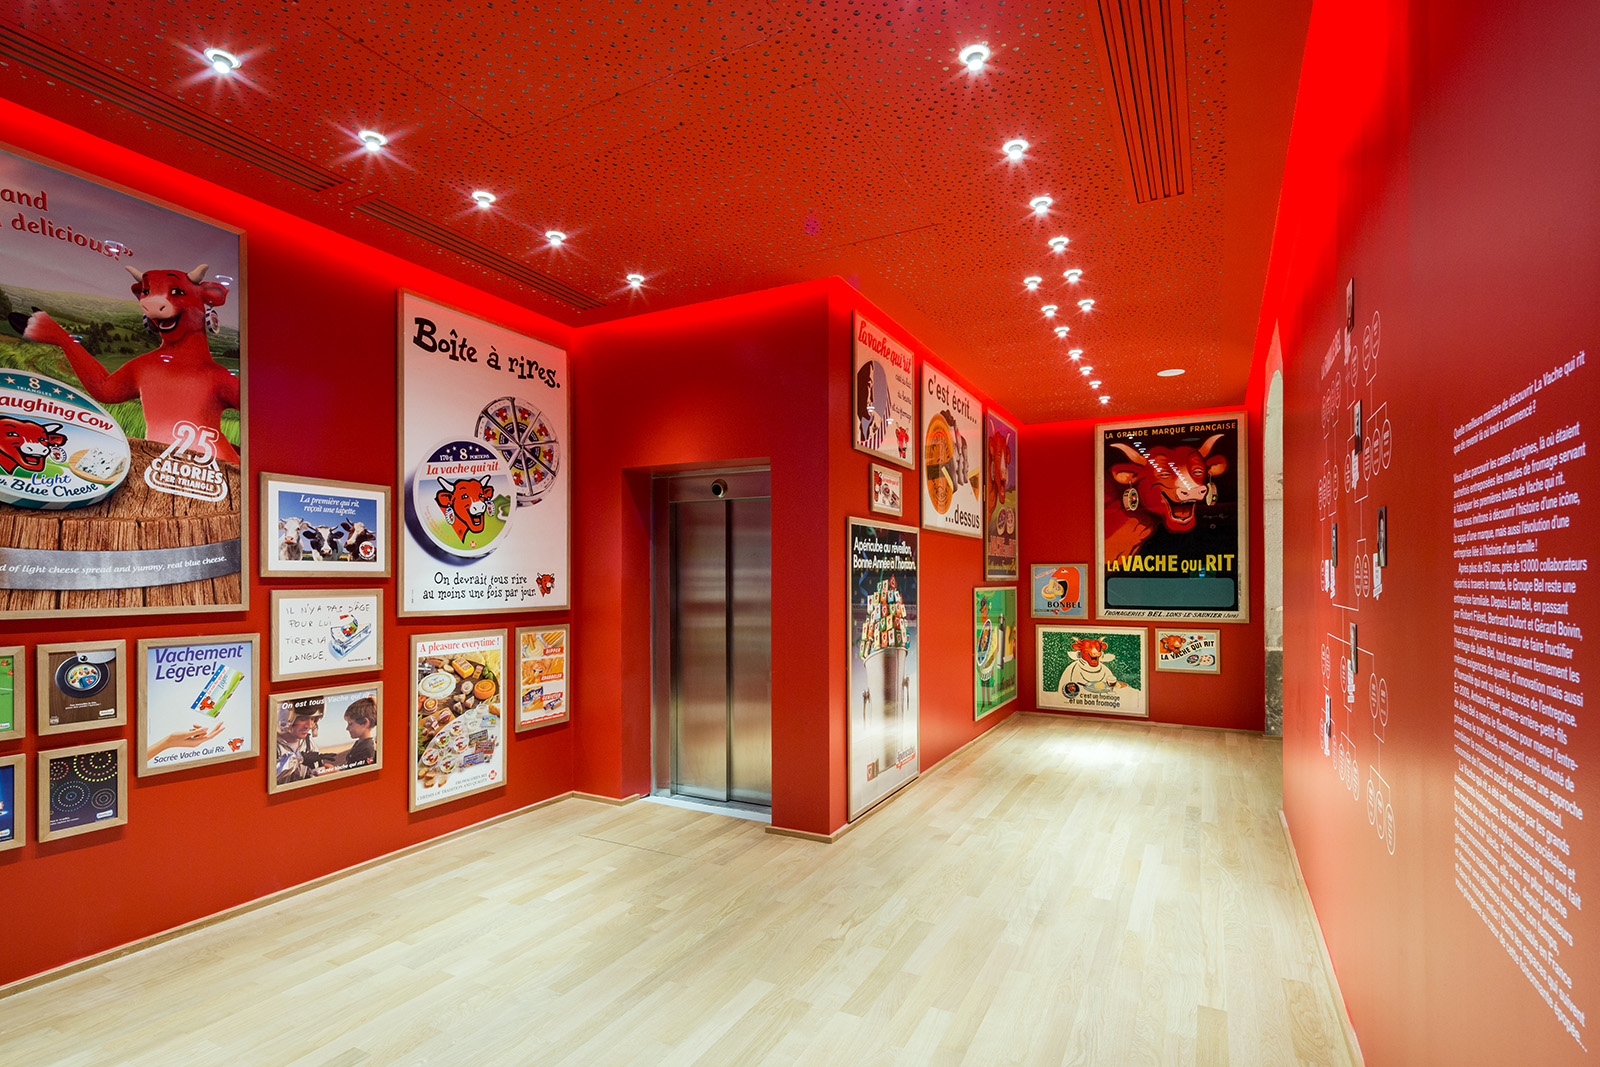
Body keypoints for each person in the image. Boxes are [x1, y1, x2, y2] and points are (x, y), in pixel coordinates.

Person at [275, 700, 330, 784]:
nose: (309, 726)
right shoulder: (272, 744)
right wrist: (299, 758)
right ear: (286, 719)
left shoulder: (309, 743)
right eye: (303, 719)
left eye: (312, 719)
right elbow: (269, 775)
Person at [343, 696, 378, 768]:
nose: (347, 728)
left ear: (365, 722)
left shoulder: (367, 750)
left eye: (350, 724)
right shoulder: (359, 743)